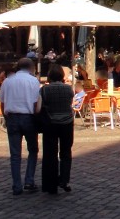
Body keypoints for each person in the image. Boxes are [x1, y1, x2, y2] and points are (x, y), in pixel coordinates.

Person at [0, 58, 41, 195]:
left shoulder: (7, 81)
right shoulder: (33, 81)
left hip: (12, 117)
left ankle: (16, 186)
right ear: (31, 68)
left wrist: (6, 117)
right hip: (28, 118)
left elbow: (2, 103)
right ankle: (29, 181)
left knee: (15, 154)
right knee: (33, 150)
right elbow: (36, 103)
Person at [39, 64, 75, 194]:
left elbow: (40, 106)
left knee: (50, 154)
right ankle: (64, 179)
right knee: (66, 152)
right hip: (67, 122)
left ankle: (51, 183)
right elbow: (70, 102)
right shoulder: (68, 89)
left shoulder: (44, 90)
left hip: (51, 123)